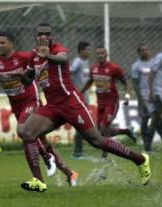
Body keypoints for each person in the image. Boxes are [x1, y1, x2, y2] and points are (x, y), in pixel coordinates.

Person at [18, 23, 150, 192]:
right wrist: (21, 76)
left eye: (47, 34)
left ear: (52, 36)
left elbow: (62, 58)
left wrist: (48, 55)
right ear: (35, 37)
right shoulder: (34, 57)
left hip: (70, 102)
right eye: (40, 34)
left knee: (97, 140)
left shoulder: (58, 49)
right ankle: (38, 181)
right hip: (52, 105)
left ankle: (140, 159)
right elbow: (28, 79)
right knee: (26, 132)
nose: (44, 37)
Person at [0, 31, 77, 192]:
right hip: (16, 106)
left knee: (23, 132)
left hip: (31, 101)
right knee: (41, 141)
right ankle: (70, 173)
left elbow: (43, 63)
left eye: (2, 42)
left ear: (11, 43)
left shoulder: (24, 57)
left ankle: (45, 166)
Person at [81, 46, 136, 159]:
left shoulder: (114, 68)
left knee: (103, 126)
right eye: (98, 53)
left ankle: (104, 155)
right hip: (100, 102)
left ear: (106, 55)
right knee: (101, 131)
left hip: (112, 102)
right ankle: (125, 131)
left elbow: (126, 83)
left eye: (102, 53)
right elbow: (90, 81)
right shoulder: (94, 68)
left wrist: (127, 96)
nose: (100, 55)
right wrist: (80, 92)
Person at [132, 44, 162, 152]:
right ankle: (147, 145)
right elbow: (135, 84)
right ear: (139, 52)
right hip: (144, 97)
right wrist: (140, 99)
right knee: (145, 119)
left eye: (147, 49)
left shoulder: (155, 63)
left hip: (155, 96)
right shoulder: (136, 66)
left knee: (158, 120)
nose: (145, 52)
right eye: (142, 50)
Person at [70, 41, 91, 159]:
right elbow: (70, 71)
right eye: (87, 49)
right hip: (79, 98)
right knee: (81, 123)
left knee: (83, 123)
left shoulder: (86, 62)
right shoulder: (78, 62)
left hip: (85, 97)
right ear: (81, 51)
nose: (89, 52)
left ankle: (79, 151)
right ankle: (77, 153)